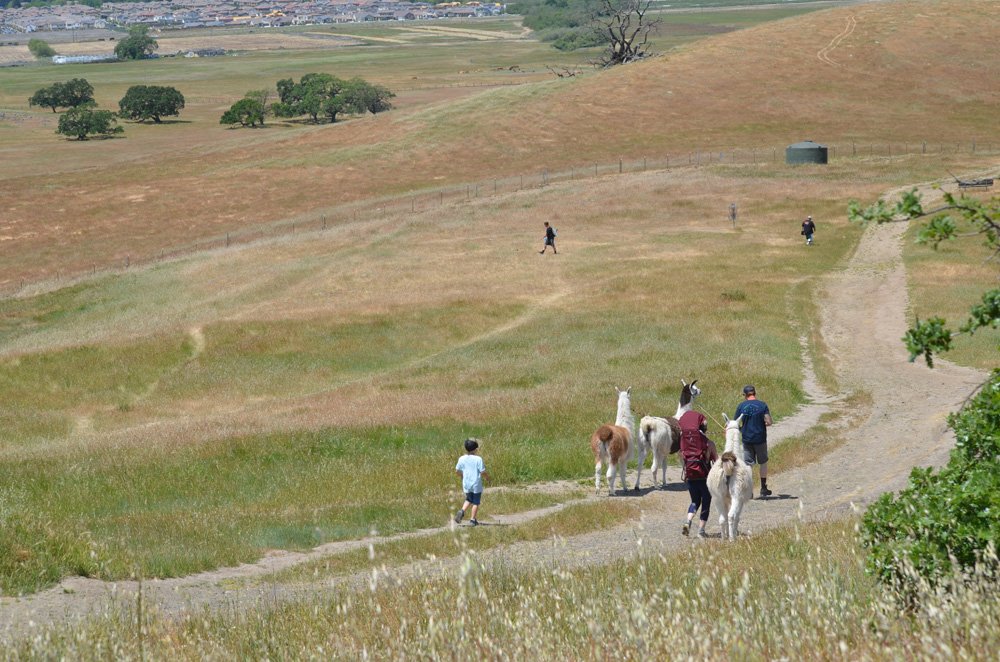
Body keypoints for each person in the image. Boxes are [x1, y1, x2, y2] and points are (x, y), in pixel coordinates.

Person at [679, 408, 718, 538]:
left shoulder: (684, 444)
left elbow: (682, 459)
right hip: (705, 477)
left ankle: (688, 521)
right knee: (706, 502)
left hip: (691, 476)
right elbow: (716, 461)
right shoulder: (708, 443)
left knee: (695, 501)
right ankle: (701, 530)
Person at [734, 385, 773, 497]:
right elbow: (769, 422)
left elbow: (735, 422)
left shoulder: (741, 406)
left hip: (747, 439)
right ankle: (763, 488)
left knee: (748, 465)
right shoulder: (762, 405)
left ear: (745, 395)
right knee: (763, 462)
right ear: (755, 393)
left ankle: (750, 491)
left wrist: (741, 428)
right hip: (760, 438)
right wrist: (763, 423)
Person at [454, 438, 490, 526]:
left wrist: (462, 476)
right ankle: (472, 520)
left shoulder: (461, 458)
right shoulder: (478, 459)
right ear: (475, 449)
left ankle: (462, 511)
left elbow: (457, 471)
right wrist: (487, 478)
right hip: (476, 484)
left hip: (466, 483)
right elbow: (483, 472)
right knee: (476, 502)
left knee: (469, 499)